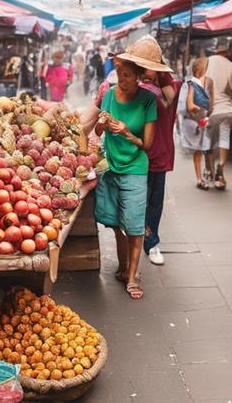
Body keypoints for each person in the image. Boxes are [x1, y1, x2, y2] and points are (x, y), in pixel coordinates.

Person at [94, 37, 167, 300]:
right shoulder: (110, 94)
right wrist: (102, 122)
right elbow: (98, 130)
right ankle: (124, 266)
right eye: (118, 75)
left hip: (135, 168)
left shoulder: (148, 101)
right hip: (111, 167)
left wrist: (126, 132)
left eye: (126, 76)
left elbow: (146, 145)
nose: (121, 80)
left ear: (138, 77)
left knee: (135, 228)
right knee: (116, 223)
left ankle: (133, 276)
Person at [140, 65, 180, 266]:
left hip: (158, 153)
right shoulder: (134, 86)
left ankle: (151, 240)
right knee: (136, 202)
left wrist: (159, 76)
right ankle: (135, 240)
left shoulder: (165, 87)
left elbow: (169, 99)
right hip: (135, 155)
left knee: (154, 201)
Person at [204, 46, 232, 190]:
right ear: (227, 54)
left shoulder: (207, 62)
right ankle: (220, 171)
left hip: (209, 108)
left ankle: (209, 173)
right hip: (226, 108)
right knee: (224, 138)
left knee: (208, 141)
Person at [179, 57, 213, 190]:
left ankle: (206, 175)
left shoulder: (205, 84)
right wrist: (197, 108)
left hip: (203, 121)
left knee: (204, 150)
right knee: (199, 150)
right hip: (194, 123)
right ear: (201, 70)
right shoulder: (190, 85)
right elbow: (188, 106)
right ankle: (200, 178)